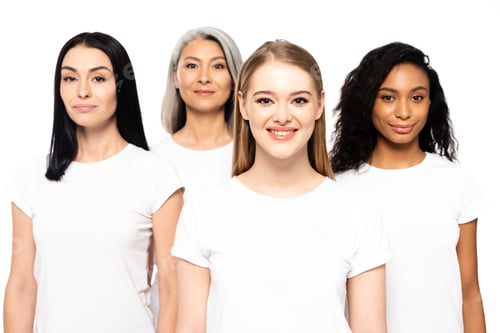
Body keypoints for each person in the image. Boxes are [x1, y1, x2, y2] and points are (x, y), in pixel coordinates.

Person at [172, 39, 390, 333]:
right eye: (265, 100)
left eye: (298, 100)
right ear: (243, 105)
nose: (283, 115)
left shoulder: (357, 214)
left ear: (319, 105)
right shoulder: (203, 213)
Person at [3, 32, 183, 333]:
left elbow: (172, 284)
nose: (82, 92)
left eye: (98, 79)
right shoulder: (30, 178)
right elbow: (21, 286)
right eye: (70, 79)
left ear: (120, 88)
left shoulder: (156, 175)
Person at [329, 41, 486, 332]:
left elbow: (470, 295)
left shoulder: (457, 183)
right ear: (367, 102)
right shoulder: (337, 189)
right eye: (388, 98)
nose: (404, 112)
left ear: (430, 102)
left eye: (416, 97)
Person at [148, 26, 243, 327]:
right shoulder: (150, 162)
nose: (204, 77)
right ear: (175, 78)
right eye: (191, 65)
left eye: (218, 65)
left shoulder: (256, 158)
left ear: (235, 79)